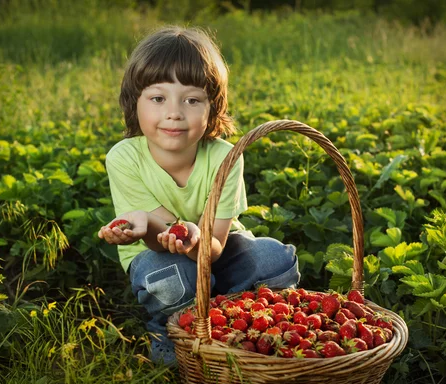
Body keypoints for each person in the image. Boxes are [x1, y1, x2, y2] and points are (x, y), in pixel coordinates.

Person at [98, 26, 300, 366]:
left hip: (214, 247)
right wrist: (147, 223)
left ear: (213, 108)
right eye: (158, 98)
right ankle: (170, 328)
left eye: (191, 100)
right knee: (175, 276)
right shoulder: (124, 157)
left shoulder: (225, 157)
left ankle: (233, 316)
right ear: (135, 103)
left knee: (273, 259)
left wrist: (196, 241)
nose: (174, 112)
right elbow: (162, 240)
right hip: (157, 254)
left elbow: (215, 246)